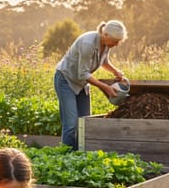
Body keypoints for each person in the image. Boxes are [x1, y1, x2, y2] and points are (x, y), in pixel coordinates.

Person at [54, 19, 128, 149]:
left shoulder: (106, 44)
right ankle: (66, 157)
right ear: (106, 35)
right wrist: (106, 88)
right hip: (66, 80)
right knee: (71, 124)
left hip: (81, 84)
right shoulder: (88, 43)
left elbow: (104, 61)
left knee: (85, 123)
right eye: (115, 41)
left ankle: (81, 155)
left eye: (119, 42)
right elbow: (83, 74)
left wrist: (115, 71)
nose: (116, 44)